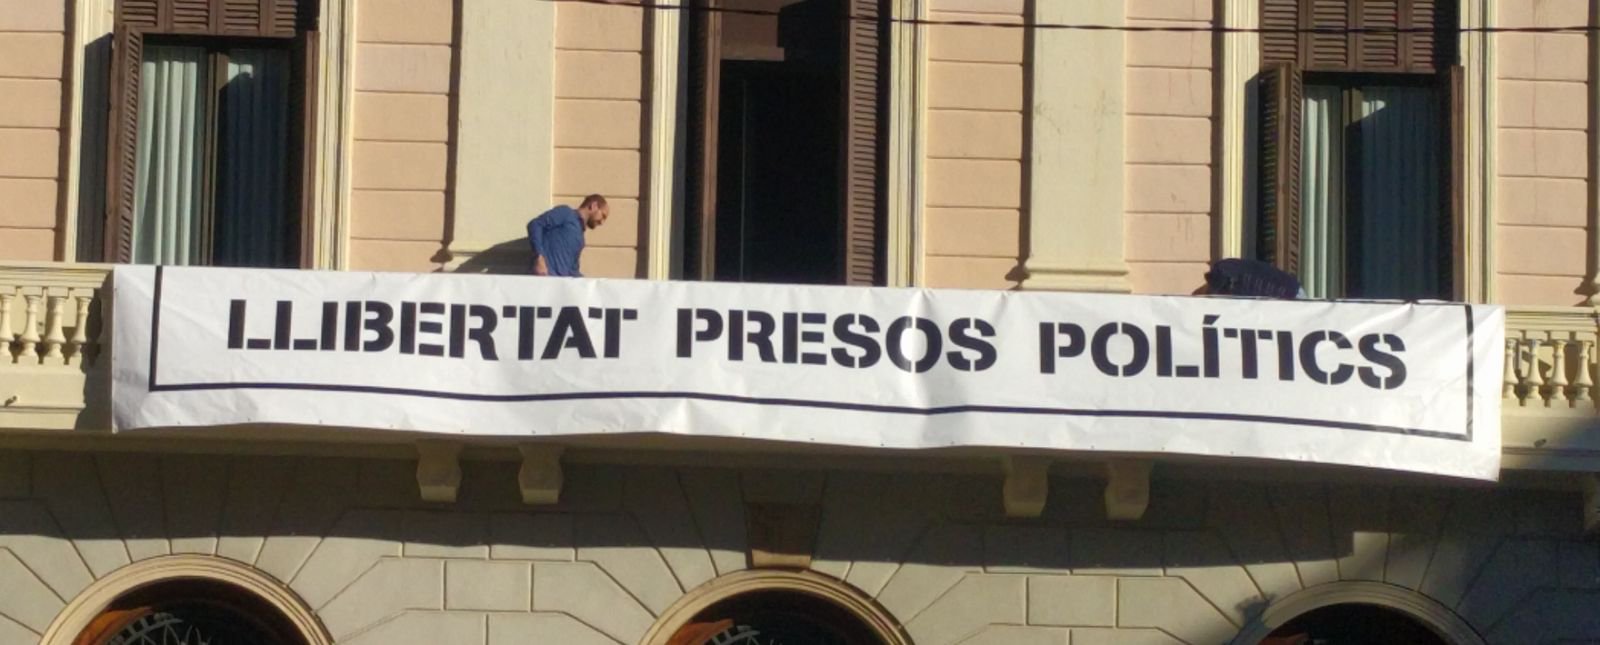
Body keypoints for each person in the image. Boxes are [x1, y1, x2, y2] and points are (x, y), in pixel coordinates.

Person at [527, 194, 609, 277]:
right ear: (594, 206)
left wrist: (588, 284)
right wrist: (539, 258)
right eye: (603, 216)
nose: (602, 222)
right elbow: (535, 225)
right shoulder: (566, 213)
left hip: (559, 285)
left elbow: (573, 270)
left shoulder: (580, 239)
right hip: (543, 280)